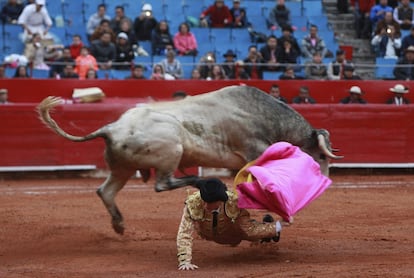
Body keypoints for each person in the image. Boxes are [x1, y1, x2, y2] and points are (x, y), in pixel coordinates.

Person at [176, 178, 282, 271]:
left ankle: (271, 230)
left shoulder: (234, 202)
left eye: (211, 202)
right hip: (206, 233)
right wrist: (184, 261)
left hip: (234, 234)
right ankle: (266, 232)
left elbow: (249, 228)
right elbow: (184, 232)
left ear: (221, 201)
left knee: (249, 232)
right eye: (205, 201)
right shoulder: (194, 203)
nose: (206, 205)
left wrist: (278, 225)